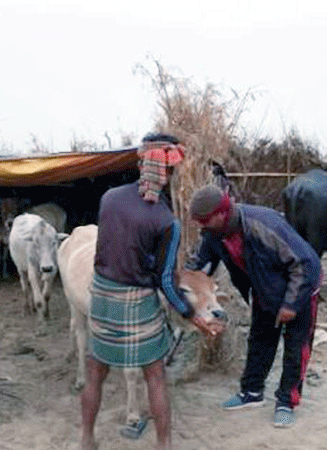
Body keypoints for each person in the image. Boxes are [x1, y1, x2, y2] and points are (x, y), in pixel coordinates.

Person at [81, 133, 223, 450]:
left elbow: (107, 249)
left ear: (142, 162)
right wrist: (192, 316)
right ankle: (164, 445)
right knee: (155, 378)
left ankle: (87, 440)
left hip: (103, 297)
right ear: (168, 171)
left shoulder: (109, 198)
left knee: (94, 375)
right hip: (137, 303)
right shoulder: (166, 220)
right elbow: (165, 280)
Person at [186, 184, 322, 429]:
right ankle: (252, 393)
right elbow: (198, 266)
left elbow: (306, 263)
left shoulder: (263, 224)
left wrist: (291, 304)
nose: (201, 226)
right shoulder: (213, 234)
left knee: (295, 347)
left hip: (299, 287)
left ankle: (286, 403)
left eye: (204, 220)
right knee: (260, 340)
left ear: (221, 213)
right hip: (264, 289)